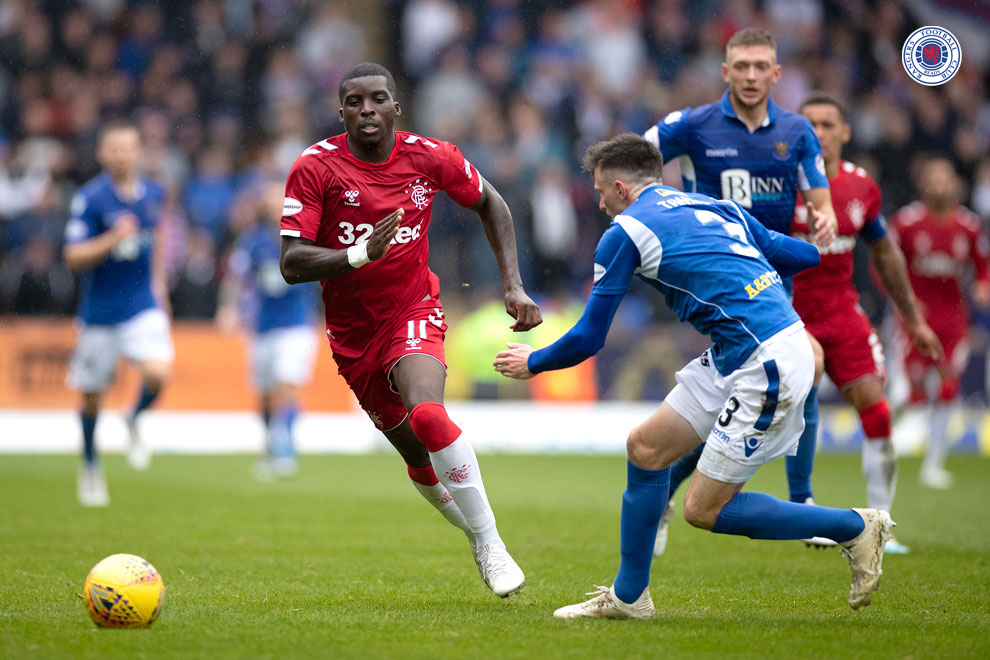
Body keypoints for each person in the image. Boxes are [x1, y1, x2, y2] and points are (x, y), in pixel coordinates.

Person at [495, 134, 893, 619]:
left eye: (601, 190)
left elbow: (588, 338)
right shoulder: (714, 207)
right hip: (742, 349)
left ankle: (855, 526)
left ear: (621, 187)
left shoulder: (626, 231)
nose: (599, 201)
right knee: (645, 448)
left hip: (764, 360)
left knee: (704, 510)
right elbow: (803, 257)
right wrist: (749, 266)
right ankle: (629, 597)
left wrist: (531, 362)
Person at [278, 62, 542, 598]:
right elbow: (292, 263)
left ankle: (491, 541)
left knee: (427, 414)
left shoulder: (431, 156)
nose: (367, 109)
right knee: (418, 461)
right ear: (342, 112)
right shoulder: (314, 167)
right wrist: (359, 253)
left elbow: (491, 202)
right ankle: (474, 533)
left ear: (396, 107)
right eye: (355, 102)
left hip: (413, 308)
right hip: (352, 337)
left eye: (378, 99)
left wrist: (512, 284)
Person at [643, 27, 838, 553]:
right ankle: (804, 501)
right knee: (807, 365)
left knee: (745, 396)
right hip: (719, 280)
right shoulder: (693, 125)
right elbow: (635, 160)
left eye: (761, 67)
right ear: (725, 72)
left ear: (776, 74)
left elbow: (823, 204)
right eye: (742, 66)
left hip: (774, 277)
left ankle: (667, 496)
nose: (751, 76)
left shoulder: (797, 132)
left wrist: (823, 223)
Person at [791, 93, 943, 554]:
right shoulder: (781, 184)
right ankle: (803, 508)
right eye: (809, 124)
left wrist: (914, 319)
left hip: (842, 312)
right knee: (799, 410)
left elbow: (886, 253)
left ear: (845, 132)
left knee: (877, 412)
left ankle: (879, 528)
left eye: (827, 124)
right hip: (788, 313)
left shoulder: (862, 188)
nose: (818, 133)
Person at [63, 121, 173, 506]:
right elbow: (73, 257)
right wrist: (112, 238)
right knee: (92, 397)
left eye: (128, 148)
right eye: (114, 148)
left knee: (159, 373)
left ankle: (134, 416)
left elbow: (156, 237)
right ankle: (91, 463)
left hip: (141, 303)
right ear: (102, 154)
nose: (121, 155)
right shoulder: (90, 199)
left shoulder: (154, 194)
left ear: (139, 151)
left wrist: (159, 285)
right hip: (99, 312)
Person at [892, 157, 990, 489]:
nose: (939, 185)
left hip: (952, 319)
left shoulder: (969, 226)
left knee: (948, 387)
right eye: (932, 179)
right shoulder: (907, 223)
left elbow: (983, 264)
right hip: (914, 318)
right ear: (923, 184)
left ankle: (934, 464)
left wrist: (982, 284)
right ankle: (892, 431)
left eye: (944, 179)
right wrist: (901, 299)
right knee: (915, 389)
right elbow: (884, 265)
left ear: (955, 184)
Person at [218, 180, 320, 479]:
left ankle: (284, 449)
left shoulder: (306, 235)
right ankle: (271, 445)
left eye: (281, 200)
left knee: (286, 385)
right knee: (264, 394)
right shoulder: (252, 240)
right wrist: (228, 307)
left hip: (297, 324)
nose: (276, 206)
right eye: (271, 200)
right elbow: (234, 278)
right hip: (263, 326)